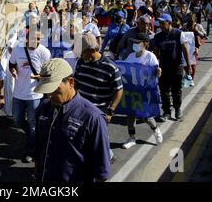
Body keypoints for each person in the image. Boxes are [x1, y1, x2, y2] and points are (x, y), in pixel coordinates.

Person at [33, 58, 111, 182]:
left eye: (55, 90)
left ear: (71, 82)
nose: (50, 95)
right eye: (47, 90)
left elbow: (102, 171)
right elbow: (38, 149)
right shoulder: (44, 108)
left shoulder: (93, 118)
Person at [74, 32, 124, 162]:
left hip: (100, 111)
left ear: (91, 50)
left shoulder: (111, 67)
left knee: (98, 138)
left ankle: (106, 159)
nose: (80, 55)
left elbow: (119, 90)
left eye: (82, 52)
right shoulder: (81, 62)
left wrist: (111, 111)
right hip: (82, 108)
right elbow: (76, 83)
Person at [9, 30, 51, 163]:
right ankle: (33, 136)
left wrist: (39, 76)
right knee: (17, 119)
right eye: (34, 39)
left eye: (39, 39)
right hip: (19, 93)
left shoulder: (44, 52)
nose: (37, 42)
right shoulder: (18, 49)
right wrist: (13, 70)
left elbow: (48, 74)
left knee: (33, 124)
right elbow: (11, 64)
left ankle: (30, 150)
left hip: (35, 94)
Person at [122, 33, 163, 149]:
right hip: (132, 91)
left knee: (145, 115)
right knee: (130, 115)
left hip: (144, 92)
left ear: (145, 44)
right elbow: (125, 71)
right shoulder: (130, 56)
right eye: (134, 42)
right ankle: (131, 137)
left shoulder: (150, 57)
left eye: (137, 42)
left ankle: (155, 129)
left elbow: (155, 73)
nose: (135, 44)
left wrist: (158, 72)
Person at [153, 14, 191, 121]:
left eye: (162, 23)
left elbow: (185, 50)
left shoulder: (179, 34)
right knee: (164, 91)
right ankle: (166, 112)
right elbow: (156, 53)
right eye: (159, 23)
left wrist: (188, 66)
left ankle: (177, 108)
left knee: (176, 90)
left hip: (177, 67)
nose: (160, 25)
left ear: (169, 23)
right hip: (163, 67)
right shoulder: (158, 36)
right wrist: (156, 66)